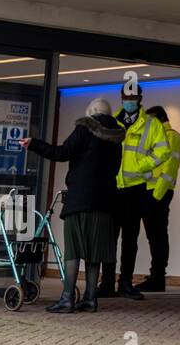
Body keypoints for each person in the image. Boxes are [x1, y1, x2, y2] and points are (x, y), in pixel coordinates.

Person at [21, 99, 123, 314]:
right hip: (105, 202)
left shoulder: (84, 129)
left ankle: (67, 298)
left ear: (91, 113)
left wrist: (34, 143)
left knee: (73, 250)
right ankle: (90, 299)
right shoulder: (116, 138)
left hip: (80, 199)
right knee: (95, 253)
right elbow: (114, 168)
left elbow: (61, 153)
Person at [98, 90, 171, 300]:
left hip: (135, 187)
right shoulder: (111, 122)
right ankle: (107, 283)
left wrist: (141, 165)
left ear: (140, 99)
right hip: (113, 187)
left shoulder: (151, 123)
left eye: (133, 98)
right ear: (121, 98)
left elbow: (163, 151)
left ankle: (126, 283)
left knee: (130, 239)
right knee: (109, 239)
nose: (129, 101)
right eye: (125, 97)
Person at [136, 105, 180, 293]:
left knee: (158, 236)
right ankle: (155, 275)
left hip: (158, 193)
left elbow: (169, 169)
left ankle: (158, 278)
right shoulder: (156, 137)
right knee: (153, 236)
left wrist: (156, 196)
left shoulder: (172, 137)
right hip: (148, 191)